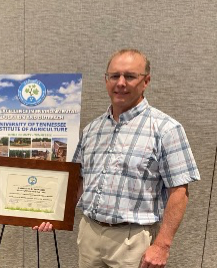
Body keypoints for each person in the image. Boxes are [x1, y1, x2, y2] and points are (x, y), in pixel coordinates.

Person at [34, 49, 200, 268]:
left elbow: (179, 192)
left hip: (133, 242)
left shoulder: (166, 129)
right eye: (114, 76)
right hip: (89, 234)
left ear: (146, 81)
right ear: (106, 80)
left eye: (130, 76)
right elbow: (79, 181)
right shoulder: (92, 129)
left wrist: (162, 246)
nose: (120, 83)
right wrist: (55, 215)